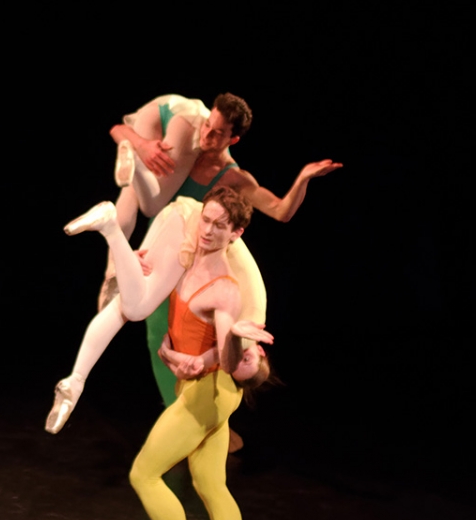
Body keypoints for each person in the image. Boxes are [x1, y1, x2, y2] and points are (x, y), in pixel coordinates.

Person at [46, 93, 337, 434]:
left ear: (233, 139)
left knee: (128, 307)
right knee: (136, 300)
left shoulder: (232, 179)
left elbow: (280, 211)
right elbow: (226, 355)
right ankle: (115, 235)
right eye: (209, 126)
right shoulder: (251, 313)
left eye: (218, 133)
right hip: (180, 234)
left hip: (178, 246)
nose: (208, 135)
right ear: (260, 350)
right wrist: (142, 144)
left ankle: (75, 382)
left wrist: (302, 179)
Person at [64, 187, 272, 520]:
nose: (207, 231)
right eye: (206, 220)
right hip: (207, 390)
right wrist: (140, 262)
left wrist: (233, 339)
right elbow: (154, 280)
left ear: (236, 234)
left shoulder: (225, 289)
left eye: (219, 226)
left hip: (208, 394)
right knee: (211, 485)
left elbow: (228, 361)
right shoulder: (189, 257)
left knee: (144, 474)